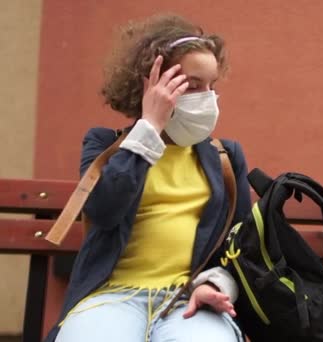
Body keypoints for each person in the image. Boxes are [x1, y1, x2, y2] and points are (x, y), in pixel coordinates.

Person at [46, 14, 251, 342]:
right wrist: (150, 127)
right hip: (112, 296)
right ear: (151, 81)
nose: (207, 98)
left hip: (188, 298)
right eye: (193, 86)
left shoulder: (227, 157)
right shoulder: (103, 144)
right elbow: (104, 210)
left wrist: (215, 284)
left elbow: (243, 242)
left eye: (212, 86)